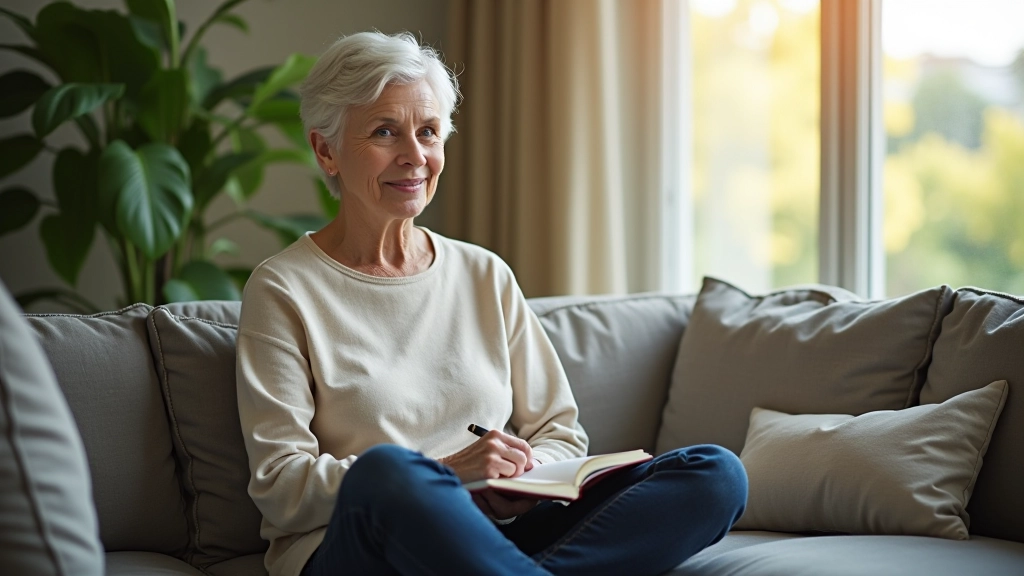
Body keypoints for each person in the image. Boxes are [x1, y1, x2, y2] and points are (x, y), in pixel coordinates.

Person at [235, 31, 747, 576]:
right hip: (362, 545)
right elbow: (280, 484)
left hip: (497, 533)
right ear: (326, 150)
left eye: (429, 133)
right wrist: (449, 473)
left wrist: (519, 476)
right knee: (390, 472)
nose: (415, 157)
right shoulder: (283, 290)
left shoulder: (484, 274)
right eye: (385, 132)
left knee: (715, 473)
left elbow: (560, 432)